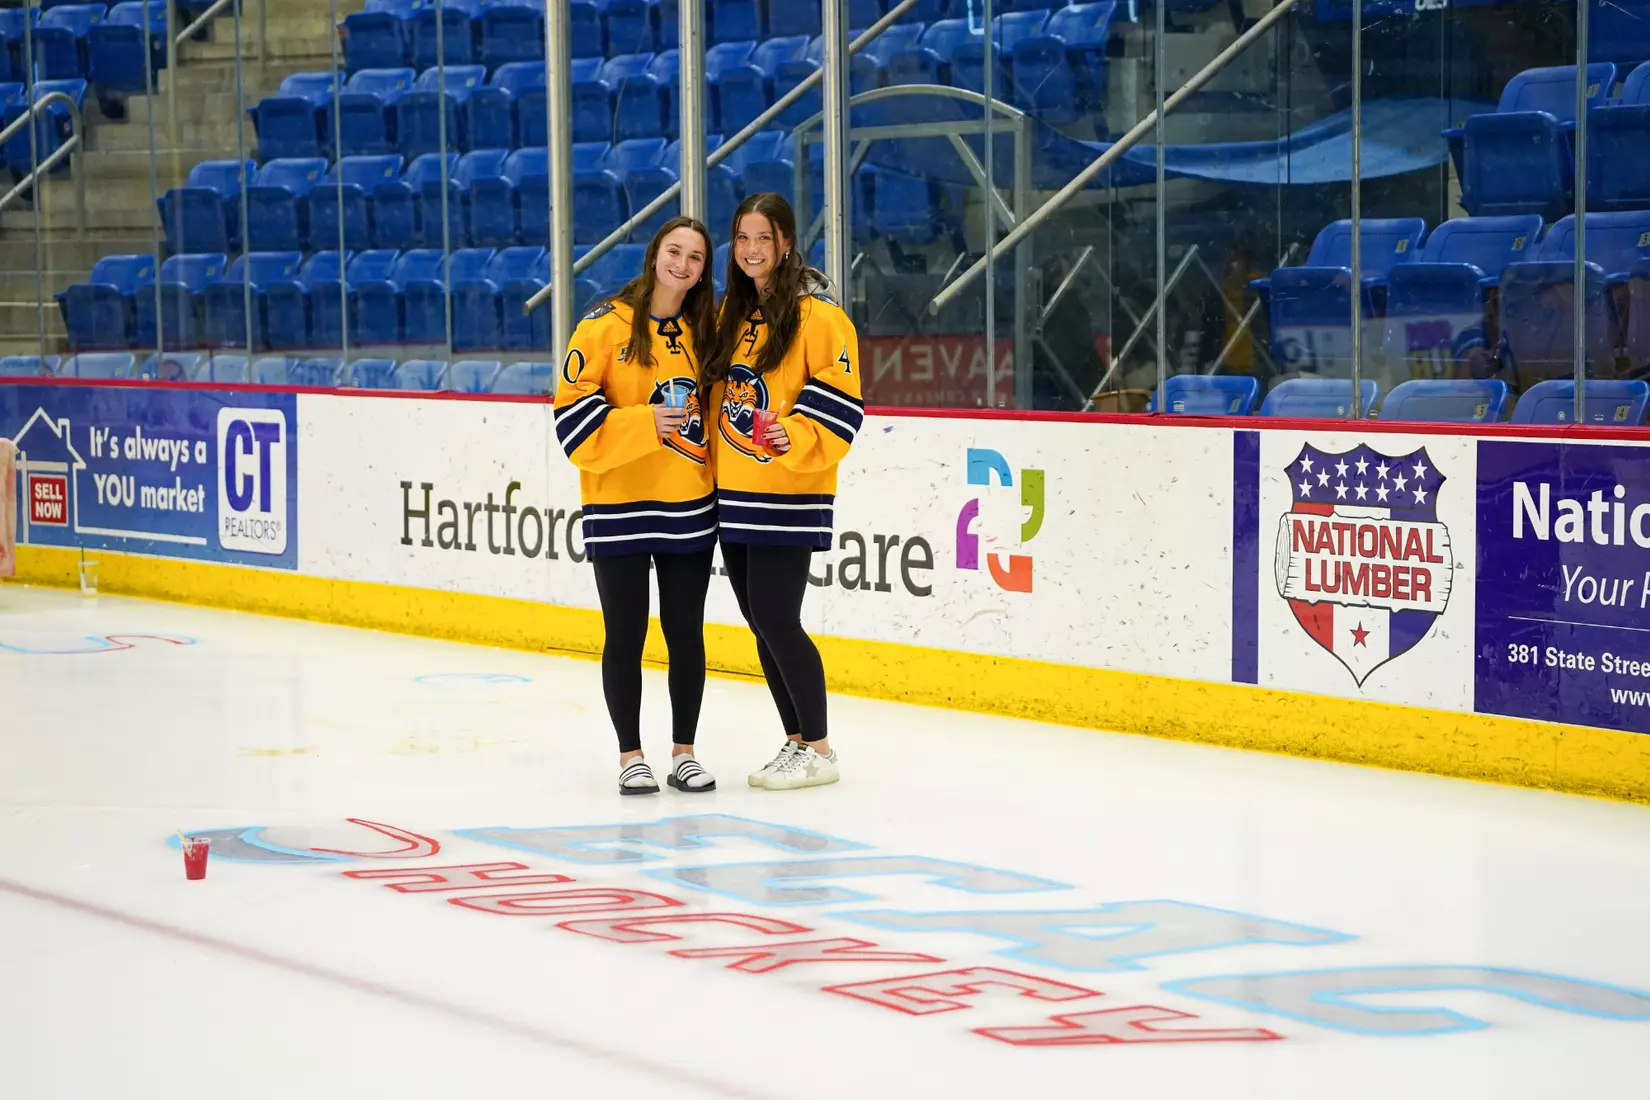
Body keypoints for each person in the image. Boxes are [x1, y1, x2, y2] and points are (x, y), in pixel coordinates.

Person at [552, 216, 721, 796]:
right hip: (618, 505)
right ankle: (631, 755)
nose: (683, 264)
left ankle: (684, 752)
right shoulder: (602, 326)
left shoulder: (707, 330)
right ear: (654, 255)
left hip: (688, 505)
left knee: (686, 634)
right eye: (674, 251)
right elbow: (571, 422)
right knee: (624, 634)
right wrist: (645, 423)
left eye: (695, 258)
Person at [704, 192, 864, 791]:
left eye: (763, 238)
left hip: (788, 492)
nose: (751, 250)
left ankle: (820, 748)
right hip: (734, 493)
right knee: (761, 621)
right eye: (742, 238)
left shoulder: (820, 317)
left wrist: (791, 434)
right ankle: (796, 740)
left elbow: (843, 403)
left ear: (787, 243)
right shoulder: (731, 313)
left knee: (777, 616)